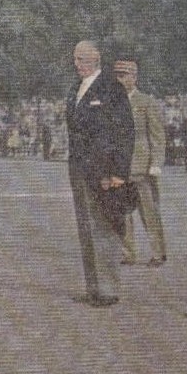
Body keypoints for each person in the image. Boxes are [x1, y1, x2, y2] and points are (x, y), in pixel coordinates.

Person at [66, 40, 134, 307]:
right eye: (75, 59)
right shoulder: (76, 89)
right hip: (80, 169)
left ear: (96, 60)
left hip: (104, 171)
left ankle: (108, 289)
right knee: (87, 229)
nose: (77, 64)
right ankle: (93, 287)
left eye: (81, 59)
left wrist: (118, 171)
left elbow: (125, 132)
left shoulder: (111, 88)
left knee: (105, 227)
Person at [114, 60, 168, 268]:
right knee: (123, 212)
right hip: (121, 167)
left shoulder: (146, 102)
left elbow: (157, 135)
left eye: (123, 75)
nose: (119, 79)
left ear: (133, 78)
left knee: (149, 213)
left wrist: (156, 163)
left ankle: (158, 252)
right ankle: (128, 253)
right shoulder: (113, 104)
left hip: (142, 167)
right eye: (117, 75)